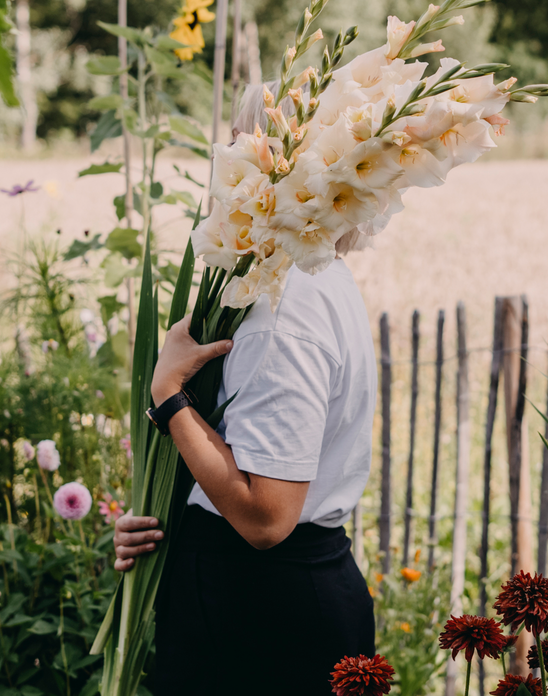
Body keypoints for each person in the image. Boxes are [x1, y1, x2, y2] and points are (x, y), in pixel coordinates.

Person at [111, 93, 378, 695]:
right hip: (268, 597)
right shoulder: (305, 280)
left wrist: (168, 394)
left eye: (239, 143)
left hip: (261, 615)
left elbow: (266, 517)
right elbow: (241, 449)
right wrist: (166, 515)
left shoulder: (284, 308)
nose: (220, 159)